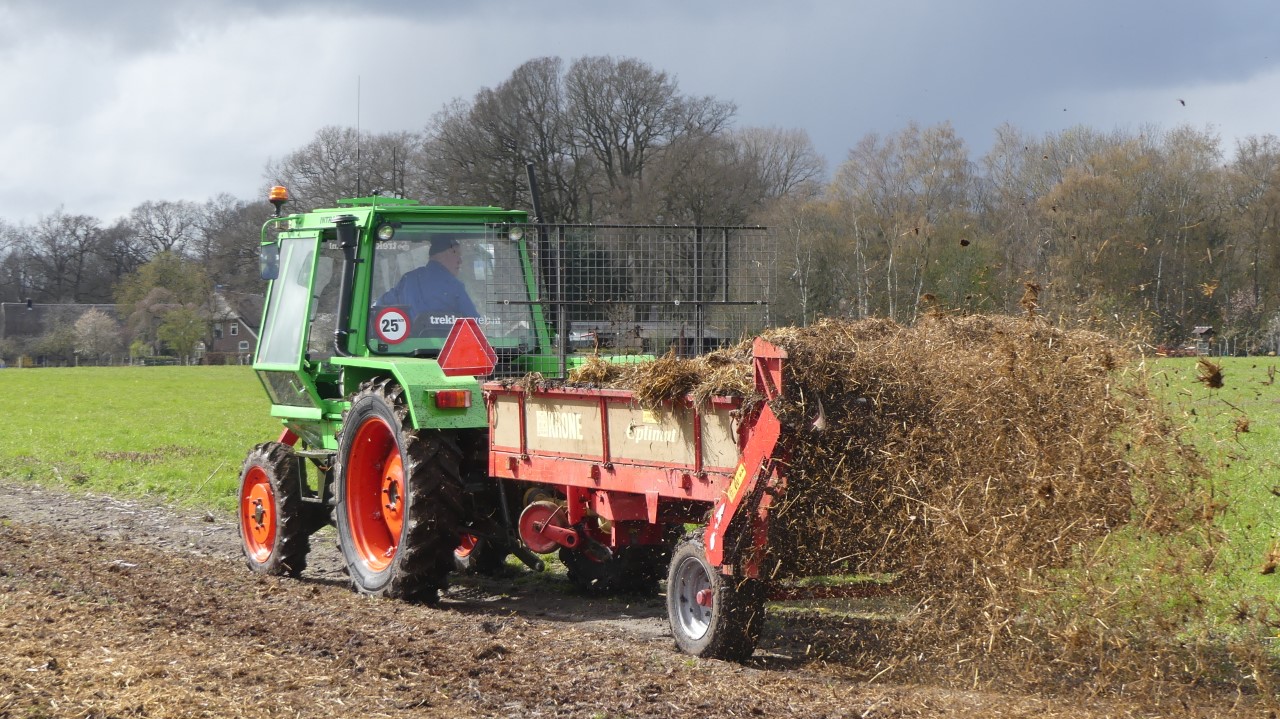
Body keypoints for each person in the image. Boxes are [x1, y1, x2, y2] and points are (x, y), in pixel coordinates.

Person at [376, 235, 479, 337]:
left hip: (410, 345)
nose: (460, 261)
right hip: (446, 345)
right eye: (456, 254)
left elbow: (380, 304)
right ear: (443, 254)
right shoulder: (455, 286)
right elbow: (474, 323)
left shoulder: (408, 280)